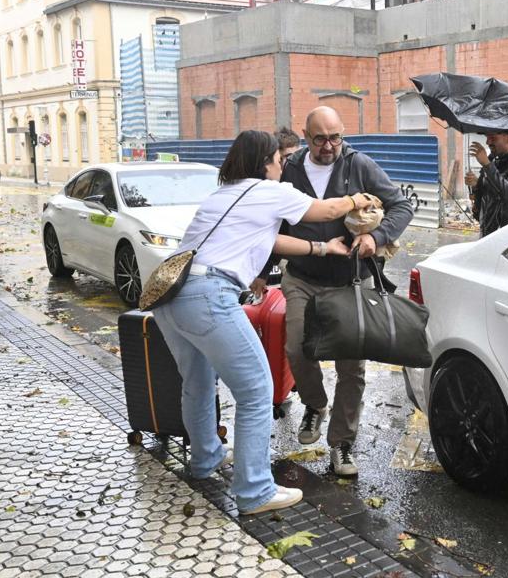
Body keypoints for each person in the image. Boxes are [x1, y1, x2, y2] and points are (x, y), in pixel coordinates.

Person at [152, 130, 378, 515]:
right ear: (264, 163)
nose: (282, 165)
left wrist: (323, 248)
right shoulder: (267, 190)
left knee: (197, 382)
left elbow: (271, 242)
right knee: (257, 390)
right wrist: (359, 199)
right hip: (210, 296)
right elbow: (323, 211)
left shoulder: (222, 194)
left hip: (171, 298)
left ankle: (205, 460)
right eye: (278, 160)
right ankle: (255, 491)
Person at [257, 106, 414, 477]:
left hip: (351, 280)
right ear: (305, 136)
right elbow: (273, 222)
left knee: (351, 367)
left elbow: (401, 206)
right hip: (303, 276)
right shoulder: (291, 169)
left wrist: (376, 237)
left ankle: (341, 443)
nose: (329, 146)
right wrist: (263, 271)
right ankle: (315, 403)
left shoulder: (359, 165)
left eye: (336, 137)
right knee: (297, 346)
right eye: (320, 139)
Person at [464, 129, 508, 236]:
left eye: (493, 138)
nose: (488, 142)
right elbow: (487, 195)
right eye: (487, 138)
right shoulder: (493, 159)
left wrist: (487, 165)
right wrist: (476, 185)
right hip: (488, 232)